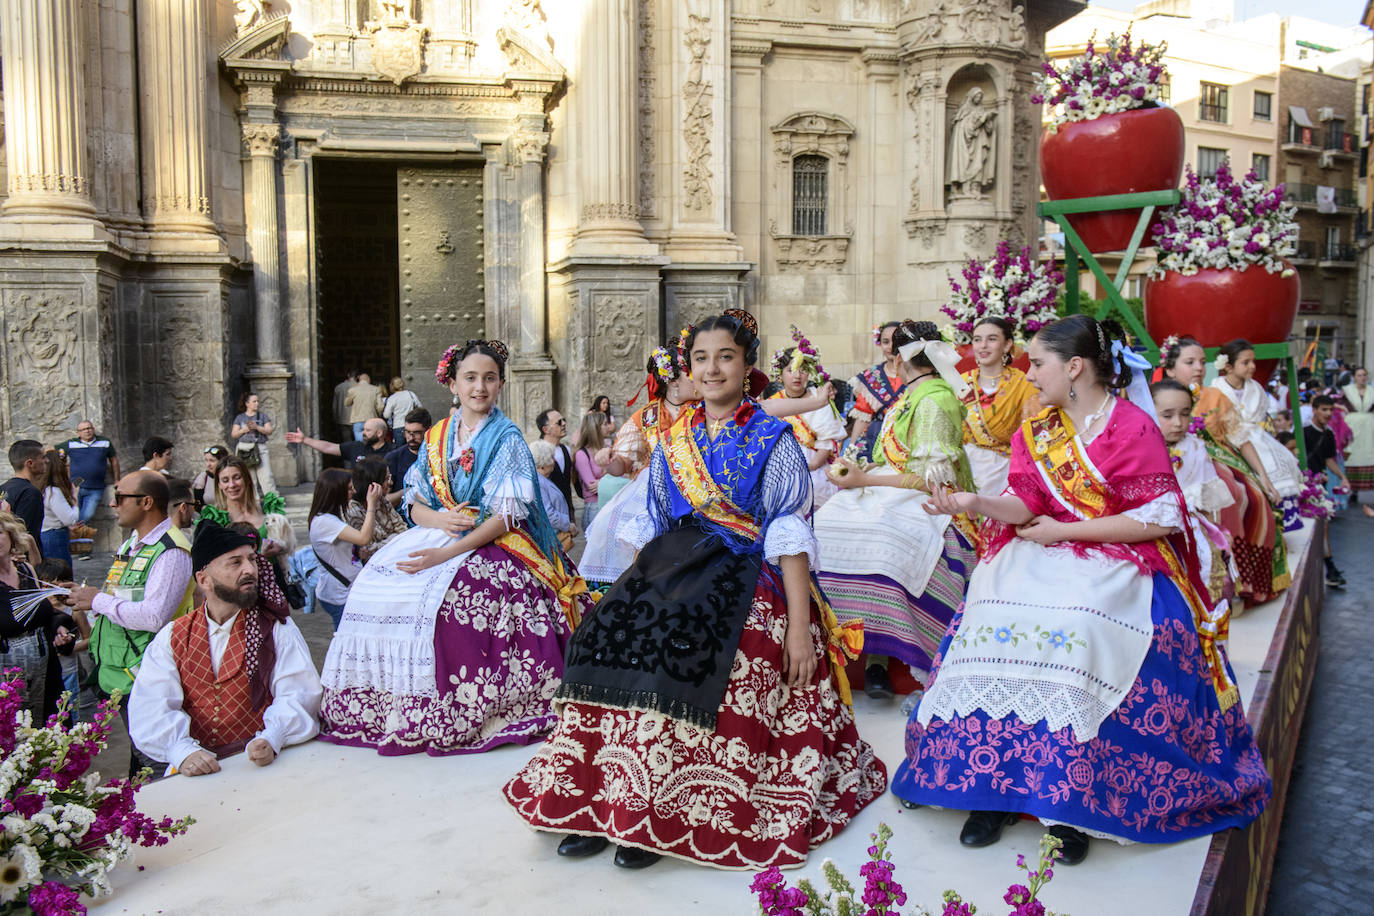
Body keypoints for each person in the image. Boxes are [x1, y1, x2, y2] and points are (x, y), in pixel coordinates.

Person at [505, 309, 885, 870]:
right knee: (603, 636)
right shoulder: (673, 440)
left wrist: (801, 631)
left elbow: (788, 534)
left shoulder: (773, 438)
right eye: (701, 359)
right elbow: (655, 521)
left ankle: (652, 813)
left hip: (747, 565)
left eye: (724, 357)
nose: (711, 370)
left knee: (692, 646)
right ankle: (593, 799)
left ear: (747, 366)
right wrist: (634, 598)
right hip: (677, 559)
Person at [895, 315, 1270, 864]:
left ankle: (1066, 802)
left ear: (1073, 367)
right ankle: (990, 786)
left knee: (1080, 627)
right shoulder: (1037, 430)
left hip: (1118, 555)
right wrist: (974, 503)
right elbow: (1024, 505)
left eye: (1039, 362)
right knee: (988, 619)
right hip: (1044, 546)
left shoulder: (1132, 427)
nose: (1031, 371)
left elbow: (1158, 521)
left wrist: (1064, 533)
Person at [318, 338, 592, 756]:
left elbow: (506, 516)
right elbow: (414, 501)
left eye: (489, 378)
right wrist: (438, 521)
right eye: (470, 378)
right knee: (379, 584)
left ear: (500, 384)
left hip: (495, 537)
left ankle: (459, 704)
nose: (479, 387)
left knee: (459, 600)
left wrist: (448, 552)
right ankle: (387, 706)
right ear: (453, 384)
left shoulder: (508, 438)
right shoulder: (436, 436)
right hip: (440, 529)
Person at [815, 321, 978, 700]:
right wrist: (864, 472)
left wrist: (863, 482)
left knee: (883, 541)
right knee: (821, 528)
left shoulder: (934, 400)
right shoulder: (913, 394)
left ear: (902, 359)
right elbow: (892, 457)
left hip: (932, 499)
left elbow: (932, 482)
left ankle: (880, 655)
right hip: (888, 487)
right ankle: (829, 649)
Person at [128, 522, 322, 778]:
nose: (250, 569)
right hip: (194, 771)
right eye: (235, 562)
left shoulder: (276, 630)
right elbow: (150, 704)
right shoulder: (173, 637)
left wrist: (273, 737)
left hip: (262, 767)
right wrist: (181, 750)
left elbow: (299, 694)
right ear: (204, 579)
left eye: (252, 560)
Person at [65, 471, 195, 776]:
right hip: (123, 673)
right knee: (141, 762)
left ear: (146, 502)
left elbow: (153, 616)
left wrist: (96, 600)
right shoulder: (133, 543)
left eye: (120, 496)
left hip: (149, 675)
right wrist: (80, 600)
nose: (112, 503)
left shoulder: (171, 550)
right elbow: (117, 599)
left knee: (157, 762)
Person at [1165, 336, 1290, 608]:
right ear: (1171, 368)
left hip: (1217, 458)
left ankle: (1240, 582)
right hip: (1171, 460)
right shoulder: (1156, 395)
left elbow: (1240, 437)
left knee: (1248, 495)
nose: (1199, 367)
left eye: (1201, 362)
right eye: (1190, 362)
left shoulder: (1214, 396)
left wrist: (1264, 477)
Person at [578, 341, 697, 588]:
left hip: (695, 487)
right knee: (608, 526)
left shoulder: (705, 411)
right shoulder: (645, 417)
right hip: (649, 488)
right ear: (673, 381)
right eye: (692, 373)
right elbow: (622, 463)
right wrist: (609, 461)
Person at [1152, 380, 1238, 606]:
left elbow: (1207, 500)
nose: (1178, 423)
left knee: (1209, 559)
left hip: (1191, 528)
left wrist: (1215, 531)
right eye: (1167, 415)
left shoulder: (1196, 447)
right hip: (1150, 529)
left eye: (1185, 414)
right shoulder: (1143, 447)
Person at [1207, 339, 1305, 530]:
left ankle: (1281, 518)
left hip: (1256, 435)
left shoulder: (1256, 389)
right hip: (1229, 439)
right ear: (1228, 366)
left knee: (1285, 459)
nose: (1252, 366)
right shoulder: (1216, 389)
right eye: (1245, 362)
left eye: (1253, 361)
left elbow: (1258, 419)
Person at [0, 512, 75, 723]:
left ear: (11, 536)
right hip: (6, 677)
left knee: (50, 735)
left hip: (45, 669)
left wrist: (59, 627)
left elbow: (44, 612)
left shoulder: (26, 570)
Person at [766, 334, 847, 512]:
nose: (797, 376)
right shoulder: (773, 403)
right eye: (790, 370)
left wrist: (808, 467)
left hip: (814, 465)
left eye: (802, 370)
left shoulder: (820, 399)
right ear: (780, 375)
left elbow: (827, 445)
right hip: (780, 466)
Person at [959, 316, 1038, 496]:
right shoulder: (960, 383)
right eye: (977, 339)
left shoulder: (1023, 385)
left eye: (992, 339)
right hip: (963, 471)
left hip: (1006, 471)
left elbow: (1033, 436)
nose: (983, 345)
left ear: (1007, 344)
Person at [198, 458, 297, 600]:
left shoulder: (267, 508)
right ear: (219, 485)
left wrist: (282, 547)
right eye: (225, 480)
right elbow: (210, 562)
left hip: (274, 585)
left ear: (247, 479)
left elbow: (290, 543)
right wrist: (260, 556)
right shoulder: (216, 519)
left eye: (237, 478)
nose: (231, 485)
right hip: (238, 589)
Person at [308, 469, 384, 630]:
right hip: (339, 594)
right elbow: (364, 538)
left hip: (344, 590)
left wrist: (355, 553)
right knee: (346, 643)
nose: (354, 491)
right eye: (349, 489)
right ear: (336, 492)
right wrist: (371, 504)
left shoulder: (330, 517)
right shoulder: (325, 522)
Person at [1303, 395, 1350, 589]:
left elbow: (1329, 459)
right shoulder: (1303, 432)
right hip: (1303, 486)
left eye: (1330, 410)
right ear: (1314, 410)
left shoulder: (1329, 434)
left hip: (1319, 488)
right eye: (1324, 409)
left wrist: (1342, 477)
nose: (1328, 414)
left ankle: (1329, 568)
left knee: (1324, 527)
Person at [849, 321, 906, 461]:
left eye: (895, 341)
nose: (891, 346)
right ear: (879, 343)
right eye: (886, 342)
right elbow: (863, 417)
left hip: (906, 435)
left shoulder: (915, 373)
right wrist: (850, 449)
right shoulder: (872, 376)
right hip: (876, 438)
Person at [343, 458, 408, 564]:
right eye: (386, 479)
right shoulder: (353, 511)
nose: (390, 483)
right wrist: (371, 505)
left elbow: (402, 529)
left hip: (397, 554)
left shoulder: (382, 500)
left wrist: (390, 540)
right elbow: (368, 550)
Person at [59, 420, 120, 525]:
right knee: (73, 511)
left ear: (93, 429)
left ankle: (75, 533)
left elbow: (114, 460)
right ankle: (77, 536)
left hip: (95, 487)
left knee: (87, 514)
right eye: (83, 429)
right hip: (76, 485)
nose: (87, 431)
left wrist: (117, 479)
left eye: (89, 428)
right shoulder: (71, 444)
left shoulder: (105, 442)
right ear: (78, 432)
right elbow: (54, 452)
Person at [0, 440, 46, 560]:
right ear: (30, 463)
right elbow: (24, 534)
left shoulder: (3, 488)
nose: (47, 461)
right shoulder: (30, 493)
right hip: (22, 560)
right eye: (43, 457)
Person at [529, 439, 577, 551]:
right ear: (542, 464)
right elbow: (548, 514)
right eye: (551, 457)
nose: (554, 461)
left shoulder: (542, 480)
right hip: (551, 538)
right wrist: (569, 525)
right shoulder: (538, 482)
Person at [287, 418, 391, 466]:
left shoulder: (393, 452)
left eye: (368, 431)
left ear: (379, 433)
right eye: (363, 429)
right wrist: (305, 439)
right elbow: (328, 447)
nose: (363, 433)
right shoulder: (356, 447)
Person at [231, 392, 276, 497]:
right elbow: (234, 434)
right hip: (244, 449)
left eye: (257, 401)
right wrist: (244, 430)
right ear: (247, 403)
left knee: (266, 476)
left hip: (259, 448)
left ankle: (272, 502)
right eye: (254, 401)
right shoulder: (240, 418)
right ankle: (253, 502)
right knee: (249, 477)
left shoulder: (262, 416)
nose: (257, 403)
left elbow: (269, 430)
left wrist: (257, 427)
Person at [39, 450, 78, 567]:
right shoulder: (53, 492)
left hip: (47, 535)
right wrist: (75, 500)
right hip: (54, 537)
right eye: (66, 466)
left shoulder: (44, 489)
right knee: (61, 576)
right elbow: (70, 519)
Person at [572, 412, 611, 529]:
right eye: (604, 424)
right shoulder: (581, 454)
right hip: (595, 507)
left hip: (609, 505)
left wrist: (602, 482)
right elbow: (593, 486)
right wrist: (610, 479)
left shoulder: (606, 449)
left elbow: (622, 476)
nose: (608, 427)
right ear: (595, 428)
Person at [534, 409, 574, 519]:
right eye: (559, 422)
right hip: (548, 518)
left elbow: (567, 483)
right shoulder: (536, 452)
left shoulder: (566, 450)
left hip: (566, 515)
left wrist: (571, 515)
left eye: (564, 420)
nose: (564, 424)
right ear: (546, 429)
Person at [1342, 367, 1374, 500]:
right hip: (1352, 426)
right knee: (1352, 455)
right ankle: (1352, 489)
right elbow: (1338, 403)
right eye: (1359, 375)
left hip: (1369, 427)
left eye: (1364, 375)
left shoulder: (1372, 392)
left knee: (1369, 455)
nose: (1362, 378)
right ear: (1354, 377)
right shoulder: (1347, 391)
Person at [386, 407, 432, 493]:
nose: (411, 437)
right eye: (407, 432)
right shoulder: (393, 458)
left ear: (428, 431)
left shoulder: (437, 455)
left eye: (417, 433)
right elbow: (385, 499)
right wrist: (410, 491)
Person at [345, 372, 384, 441]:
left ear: (359, 379)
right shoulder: (375, 389)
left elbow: (347, 403)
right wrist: (379, 415)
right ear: (368, 379)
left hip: (357, 419)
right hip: (371, 418)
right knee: (372, 441)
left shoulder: (353, 390)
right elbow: (380, 406)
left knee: (360, 443)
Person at [382, 377, 422, 443]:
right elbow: (420, 407)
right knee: (413, 446)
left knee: (400, 450)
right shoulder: (411, 394)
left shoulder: (392, 398)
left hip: (398, 426)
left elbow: (386, 415)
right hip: (411, 424)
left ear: (392, 386)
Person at [333, 368, 359, 442]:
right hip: (357, 418)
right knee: (358, 441)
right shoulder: (359, 387)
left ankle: (349, 453)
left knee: (346, 441)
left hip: (343, 419)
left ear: (348, 375)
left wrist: (335, 418)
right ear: (357, 377)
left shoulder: (338, 387)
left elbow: (335, 405)